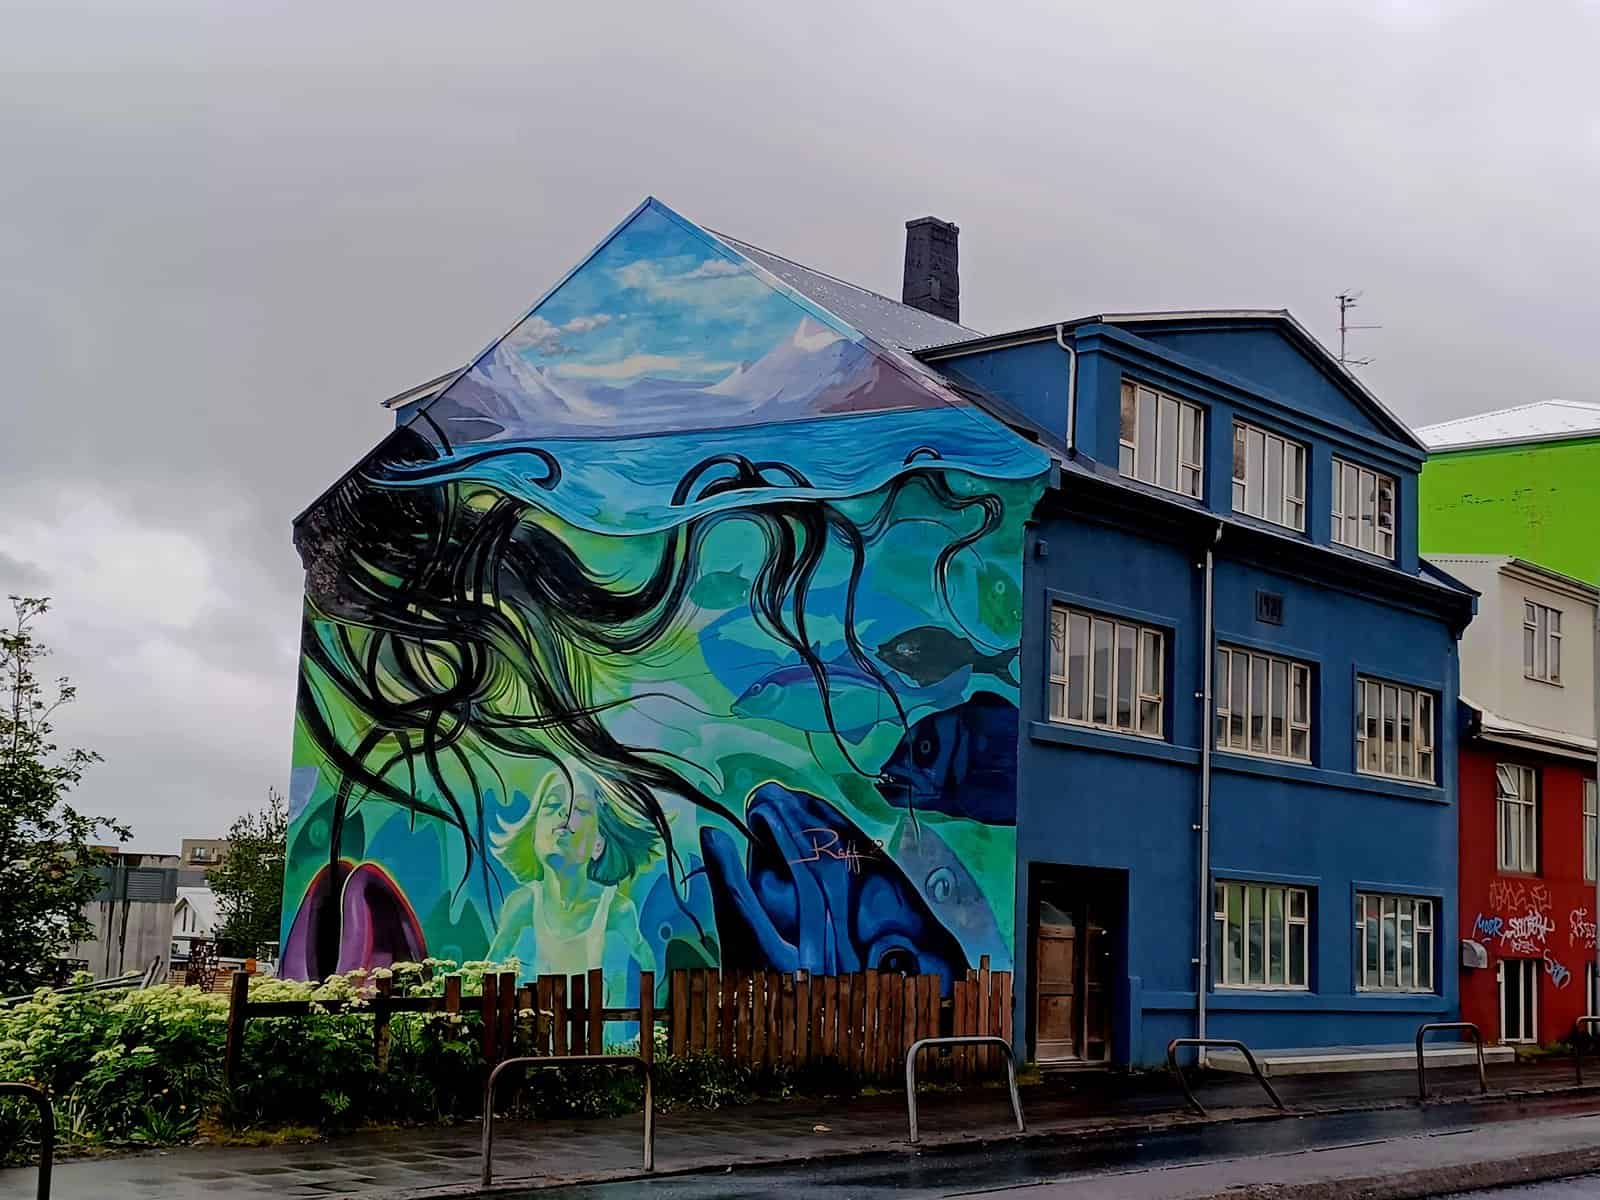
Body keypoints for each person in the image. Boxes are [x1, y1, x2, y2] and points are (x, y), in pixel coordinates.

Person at [488, 763, 655, 1006]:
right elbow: (490, 966)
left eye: (582, 809)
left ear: (598, 844)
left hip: (593, 1038)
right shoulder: (522, 904)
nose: (564, 814)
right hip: (535, 1038)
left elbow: (646, 962)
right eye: (553, 805)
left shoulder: (616, 909)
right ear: (533, 835)